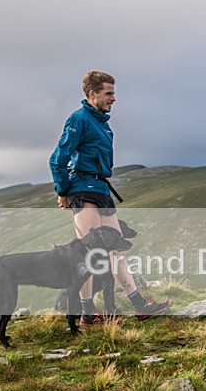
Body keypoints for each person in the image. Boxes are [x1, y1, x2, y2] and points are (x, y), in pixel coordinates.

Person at [50, 70, 172, 323]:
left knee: (117, 250)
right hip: (82, 189)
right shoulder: (79, 119)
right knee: (89, 256)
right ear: (92, 94)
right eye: (109, 93)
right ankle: (86, 312)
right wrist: (62, 191)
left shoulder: (101, 122)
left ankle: (139, 304)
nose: (114, 98)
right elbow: (58, 158)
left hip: (102, 190)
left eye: (113, 93)